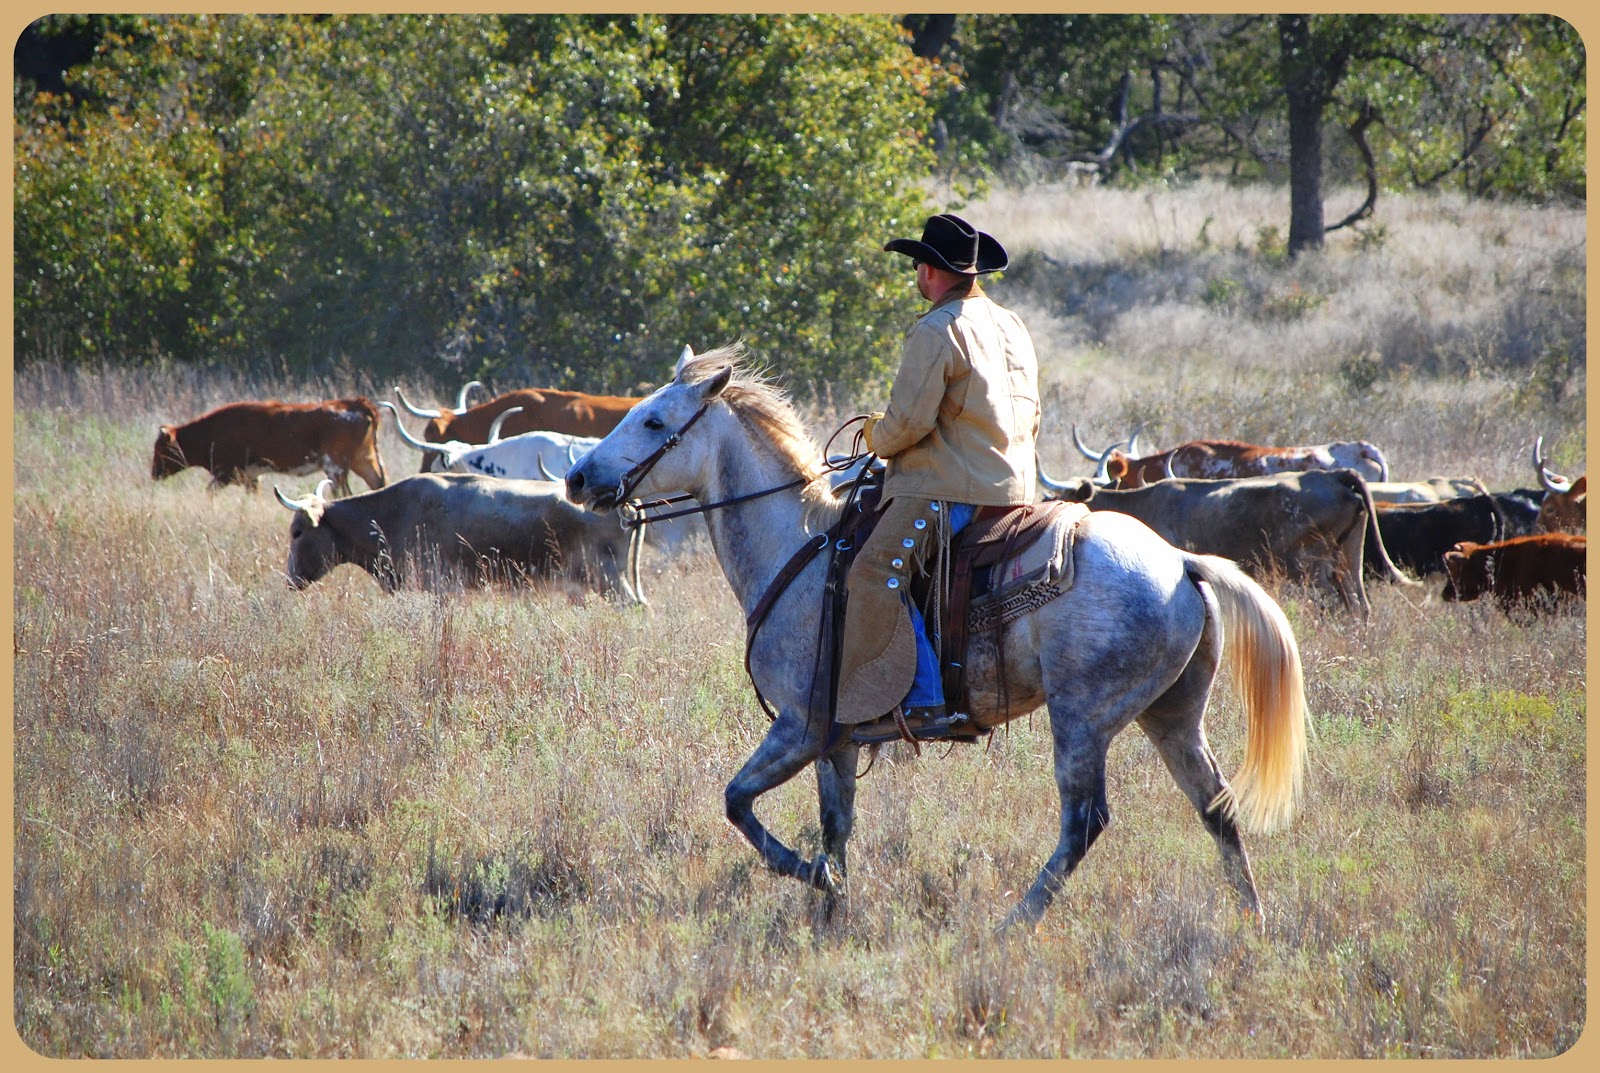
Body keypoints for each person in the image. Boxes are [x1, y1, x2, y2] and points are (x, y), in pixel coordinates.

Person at [835, 213, 1041, 742]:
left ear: (930, 271)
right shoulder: (1012, 325)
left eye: (916, 267)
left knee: (872, 573)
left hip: (948, 490)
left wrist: (872, 434)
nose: (915, 276)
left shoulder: (937, 328)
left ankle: (922, 701)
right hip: (1018, 489)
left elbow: (908, 424)